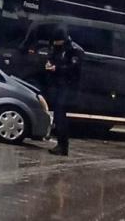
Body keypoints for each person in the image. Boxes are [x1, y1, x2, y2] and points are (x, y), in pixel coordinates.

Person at [46, 24, 84, 156]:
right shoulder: (57, 47)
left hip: (68, 87)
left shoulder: (74, 50)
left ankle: (63, 145)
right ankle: (60, 144)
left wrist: (57, 69)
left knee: (61, 116)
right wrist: (50, 64)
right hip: (58, 85)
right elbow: (52, 57)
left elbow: (73, 70)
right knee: (58, 115)